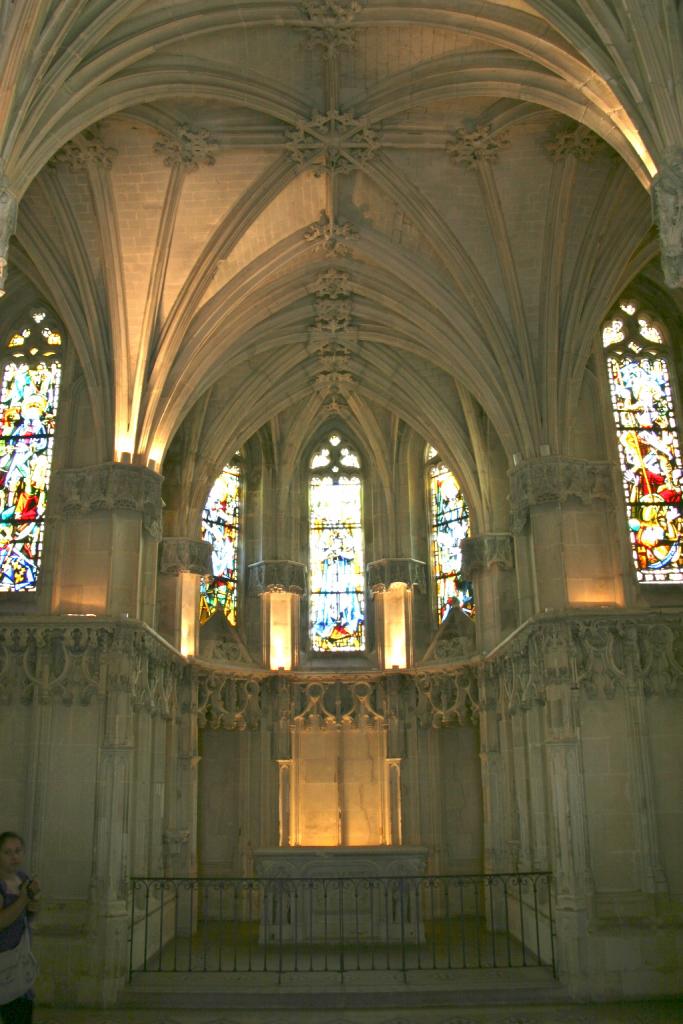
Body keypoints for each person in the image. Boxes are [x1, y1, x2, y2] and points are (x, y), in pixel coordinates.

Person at [0, 833, 39, 1023]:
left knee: (22, 1012)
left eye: (17, 851)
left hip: (20, 959)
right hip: (3, 960)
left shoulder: (23, 878)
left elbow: (27, 916)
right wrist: (23, 899)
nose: (14, 856)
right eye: (7, 852)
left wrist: (32, 905)